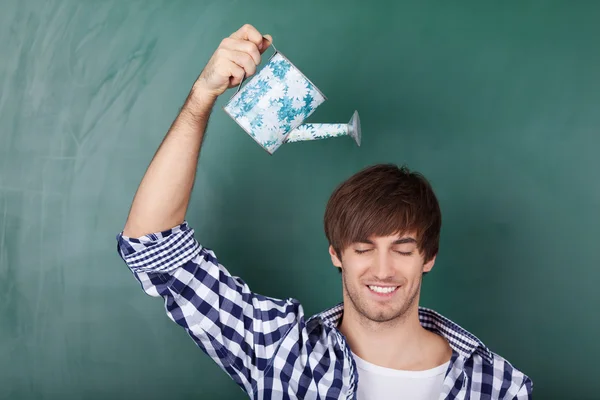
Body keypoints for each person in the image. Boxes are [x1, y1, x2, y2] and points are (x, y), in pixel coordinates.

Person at [116, 24, 532, 399]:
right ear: (336, 253)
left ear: (429, 256)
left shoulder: (499, 386)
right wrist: (202, 96)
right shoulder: (278, 353)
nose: (383, 269)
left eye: (403, 249)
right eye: (363, 248)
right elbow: (154, 248)